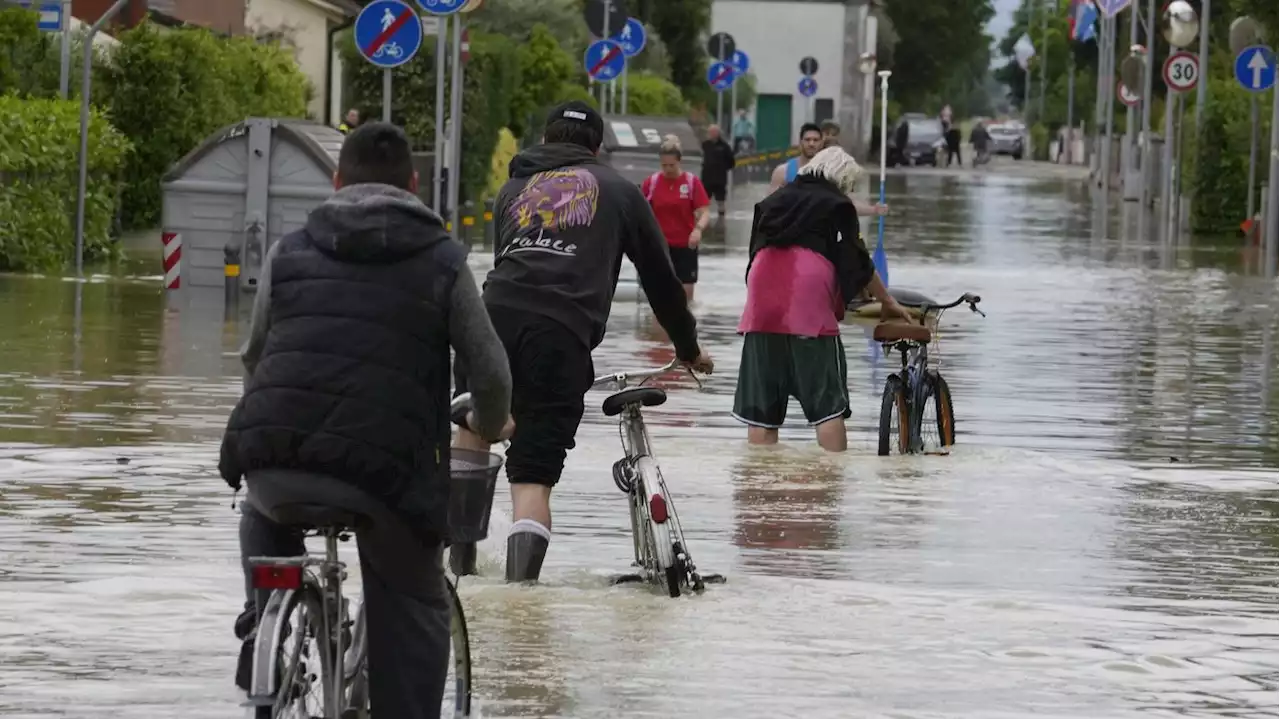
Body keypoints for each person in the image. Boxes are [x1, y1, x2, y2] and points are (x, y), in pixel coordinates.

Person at [220, 122, 513, 717]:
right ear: (413, 184)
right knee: (411, 601)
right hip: (388, 473)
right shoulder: (443, 260)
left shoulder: (289, 250)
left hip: (276, 459)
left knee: (261, 510)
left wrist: (274, 428)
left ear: (335, 182)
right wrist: (489, 420)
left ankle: (263, 626)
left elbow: (255, 356)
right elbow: (491, 372)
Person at [452, 101, 714, 584]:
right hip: (560, 332)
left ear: (547, 140)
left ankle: (460, 581)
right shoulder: (620, 191)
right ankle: (519, 599)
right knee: (531, 476)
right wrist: (687, 346)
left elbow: (503, 265)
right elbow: (661, 281)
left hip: (488, 323)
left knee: (471, 436)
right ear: (596, 147)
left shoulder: (512, 189)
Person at [733, 146, 912, 452]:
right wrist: (886, 300)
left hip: (761, 302)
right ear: (842, 179)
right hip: (807, 304)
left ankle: (757, 484)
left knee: (762, 411)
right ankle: (832, 480)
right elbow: (857, 261)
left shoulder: (773, 200)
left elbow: (754, 256)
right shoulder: (838, 205)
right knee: (827, 406)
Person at [643, 135, 711, 301]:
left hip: (686, 245)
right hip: (660, 247)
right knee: (660, 296)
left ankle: (685, 324)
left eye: (671, 165)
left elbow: (705, 212)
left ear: (679, 162)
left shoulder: (691, 182)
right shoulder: (651, 183)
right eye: (664, 165)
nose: (667, 169)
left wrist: (698, 229)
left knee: (685, 296)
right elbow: (639, 212)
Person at [768, 123, 824, 194]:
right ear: (800, 142)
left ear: (821, 143)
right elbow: (771, 203)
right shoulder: (783, 172)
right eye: (807, 140)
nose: (811, 144)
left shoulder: (829, 172)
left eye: (815, 140)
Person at [699, 125, 735, 220]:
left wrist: (723, 168)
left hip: (720, 177)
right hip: (707, 176)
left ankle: (721, 215)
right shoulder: (705, 145)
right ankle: (703, 216)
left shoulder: (724, 146)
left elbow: (731, 161)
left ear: (718, 133)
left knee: (720, 198)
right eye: (710, 132)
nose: (712, 134)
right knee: (705, 197)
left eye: (714, 132)